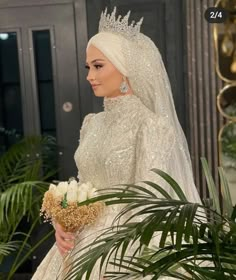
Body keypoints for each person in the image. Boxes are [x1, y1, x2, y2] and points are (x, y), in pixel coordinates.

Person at [32, 7, 201, 280]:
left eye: (98, 66)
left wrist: (120, 262)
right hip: (76, 245)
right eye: (88, 67)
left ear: (125, 69)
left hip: (122, 249)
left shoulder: (151, 127)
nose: (90, 75)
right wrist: (63, 223)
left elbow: (150, 205)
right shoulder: (91, 123)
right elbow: (84, 187)